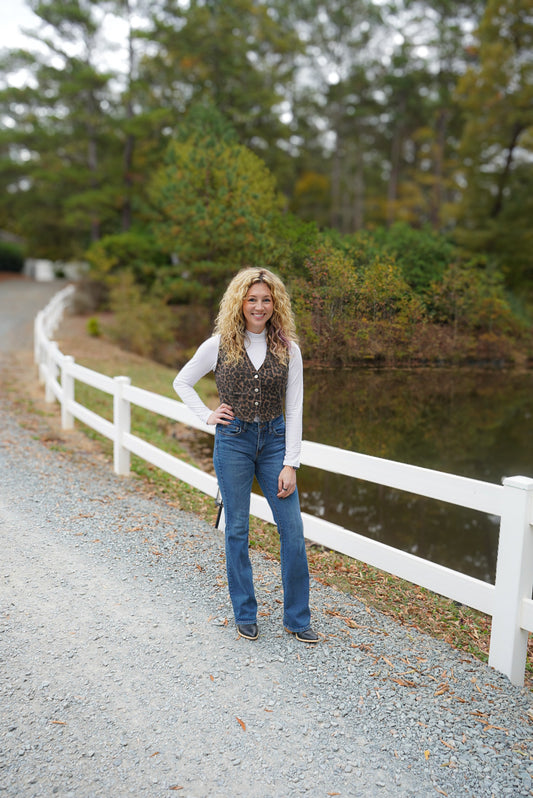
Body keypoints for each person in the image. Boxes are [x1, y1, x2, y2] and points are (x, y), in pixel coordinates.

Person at [173, 267, 318, 643]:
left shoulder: (289, 349)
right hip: (233, 442)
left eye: (266, 299)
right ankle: (245, 612)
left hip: (274, 442)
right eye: (251, 299)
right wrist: (207, 414)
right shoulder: (219, 344)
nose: (259, 306)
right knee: (237, 529)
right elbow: (182, 382)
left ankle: (297, 619)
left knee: (293, 531)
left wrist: (291, 462)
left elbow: (296, 408)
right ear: (239, 302)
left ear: (276, 304)